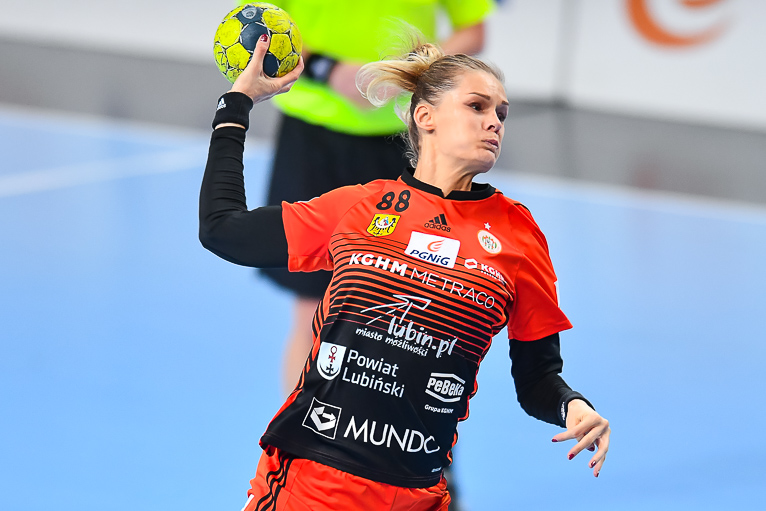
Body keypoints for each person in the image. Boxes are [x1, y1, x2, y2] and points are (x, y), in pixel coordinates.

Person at [200, 32, 611, 511]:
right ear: (425, 116)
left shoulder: (518, 236)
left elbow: (537, 376)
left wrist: (571, 404)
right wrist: (237, 106)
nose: (494, 123)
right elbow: (224, 230)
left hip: (418, 494)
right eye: (477, 106)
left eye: (501, 113)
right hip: (313, 484)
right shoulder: (361, 207)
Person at [241, 0, 495, 396]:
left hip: (404, 141)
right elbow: (256, 30)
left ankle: (402, 433)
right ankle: (299, 432)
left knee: (403, 317)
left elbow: (473, 31)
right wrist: (328, 70)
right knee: (315, 310)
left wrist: (410, 71)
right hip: (312, 136)